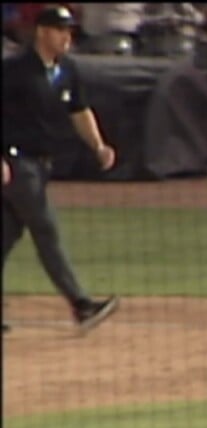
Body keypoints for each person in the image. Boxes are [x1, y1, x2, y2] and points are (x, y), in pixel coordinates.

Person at [2, 6, 120, 336]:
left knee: (5, 236)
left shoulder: (66, 70)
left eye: (69, 31)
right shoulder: (14, 70)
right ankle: (81, 305)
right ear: (41, 31)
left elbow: (79, 111)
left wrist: (98, 146)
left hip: (40, 165)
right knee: (46, 230)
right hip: (15, 162)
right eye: (60, 30)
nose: (67, 37)